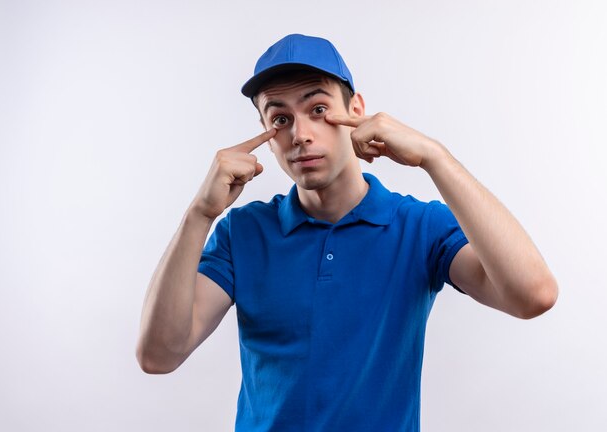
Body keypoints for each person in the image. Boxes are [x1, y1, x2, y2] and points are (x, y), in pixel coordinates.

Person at [136, 34, 558, 431]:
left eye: (317, 109)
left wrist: (435, 157)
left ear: (356, 109)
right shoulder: (242, 232)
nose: (300, 134)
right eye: (280, 118)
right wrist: (200, 213)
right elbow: (158, 355)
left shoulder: (419, 226)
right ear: (267, 135)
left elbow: (533, 295)